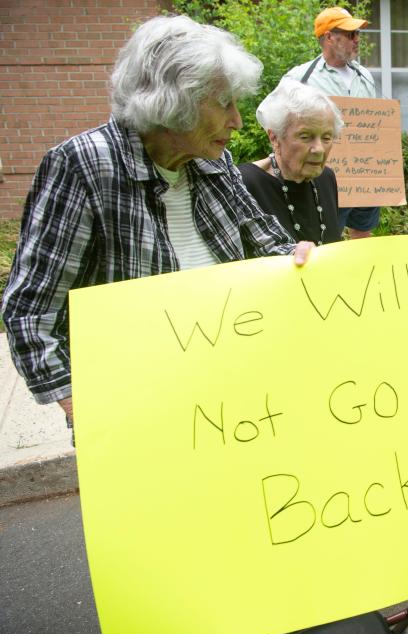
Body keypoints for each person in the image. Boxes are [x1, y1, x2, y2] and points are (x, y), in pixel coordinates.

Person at [1, 15, 315, 429]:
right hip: (139, 419)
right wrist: (83, 406)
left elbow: (266, 241)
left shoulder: (213, 162)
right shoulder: (85, 166)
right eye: (224, 103)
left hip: (231, 408)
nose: (237, 120)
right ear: (175, 102)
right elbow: (30, 311)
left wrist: (299, 257)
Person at [284, 6, 379, 240]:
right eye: (350, 34)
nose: (357, 40)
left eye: (358, 34)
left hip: (364, 172)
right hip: (326, 175)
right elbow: (273, 119)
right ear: (328, 37)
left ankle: (362, 274)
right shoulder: (300, 78)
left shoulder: (364, 75)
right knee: (327, 234)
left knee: (363, 229)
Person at [239, 78, 344, 245]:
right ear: (275, 138)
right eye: (305, 136)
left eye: (326, 137)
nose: (319, 149)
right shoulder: (245, 183)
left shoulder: (326, 178)